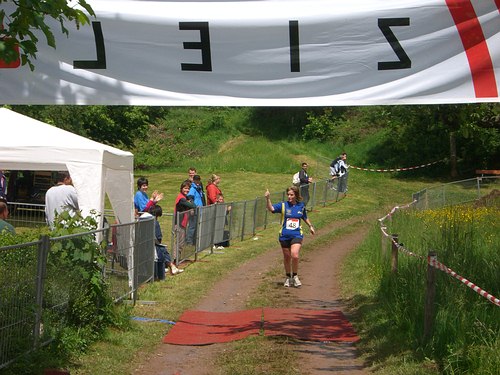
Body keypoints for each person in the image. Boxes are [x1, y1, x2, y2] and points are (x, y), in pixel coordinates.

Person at [264, 186, 315, 288]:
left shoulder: (301, 206)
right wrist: (268, 198)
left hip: (297, 234)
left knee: (295, 255)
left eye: (291, 195)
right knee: (287, 257)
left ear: (296, 195)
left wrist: (310, 226)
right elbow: (271, 209)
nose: (289, 197)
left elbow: (304, 217)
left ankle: (295, 276)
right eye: (288, 195)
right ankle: (288, 277)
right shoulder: (283, 205)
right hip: (284, 235)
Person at [149, 205, 183, 279]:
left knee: (162, 250)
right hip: (153, 245)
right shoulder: (155, 223)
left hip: (147, 244)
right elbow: (158, 237)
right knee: (162, 250)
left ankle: (172, 266)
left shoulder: (145, 220)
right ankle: (172, 266)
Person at [174, 180, 196, 258]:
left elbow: (192, 204)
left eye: (188, 189)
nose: (187, 190)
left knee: (181, 243)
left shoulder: (185, 197)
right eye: (185, 188)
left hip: (183, 223)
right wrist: (190, 202)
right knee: (179, 243)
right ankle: (174, 259)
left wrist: (190, 201)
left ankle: (177, 259)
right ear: (181, 188)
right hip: (178, 223)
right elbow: (193, 206)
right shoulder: (181, 198)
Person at [186, 175, 205, 245]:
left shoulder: (199, 188)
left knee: (197, 226)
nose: (197, 181)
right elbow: (190, 198)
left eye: (198, 180)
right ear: (193, 180)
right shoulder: (192, 189)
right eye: (196, 180)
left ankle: (194, 241)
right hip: (195, 209)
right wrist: (192, 207)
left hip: (200, 209)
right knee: (192, 226)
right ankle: (189, 241)